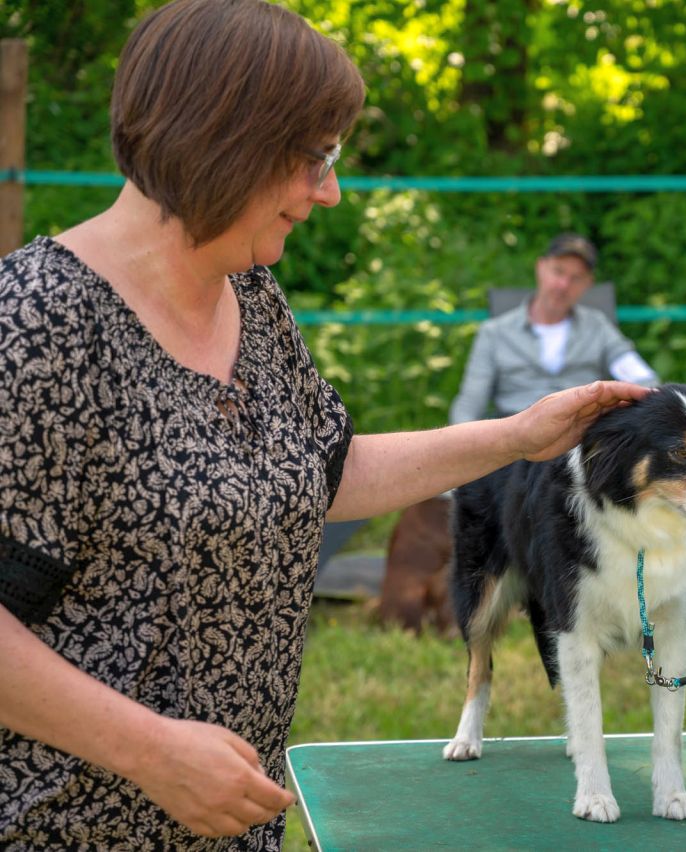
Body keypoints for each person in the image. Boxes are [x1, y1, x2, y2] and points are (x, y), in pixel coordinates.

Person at [0, 2, 649, 847]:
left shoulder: (251, 293)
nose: (330, 191)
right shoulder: (36, 321)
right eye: (316, 158)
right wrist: (151, 752)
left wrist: (518, 435)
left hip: (228, 824)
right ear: (221, 137)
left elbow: (320, 471)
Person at [448, 233, 659, 424]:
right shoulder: (494, 332)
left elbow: (642, 380)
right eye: (558, 271)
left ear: (588, 283)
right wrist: (463, 446)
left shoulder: (598, 326)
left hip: (581, 437)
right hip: (514, 439)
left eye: (576, 278)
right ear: (541, 267)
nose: (563, 284)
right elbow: (470, 402)